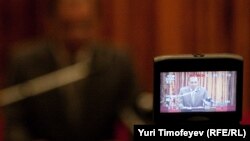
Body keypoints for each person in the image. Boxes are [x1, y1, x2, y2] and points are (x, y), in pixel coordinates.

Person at [2, 0, 138, 140]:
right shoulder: (24, 61)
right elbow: (15, 123)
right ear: (50, 22)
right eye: (66, 25)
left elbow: (134, 115)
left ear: (98, 21)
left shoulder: (117, 61)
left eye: (85, 25)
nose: (76, 34)